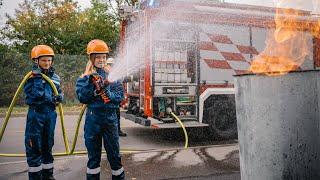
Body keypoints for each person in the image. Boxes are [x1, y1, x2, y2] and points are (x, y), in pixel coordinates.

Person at [76, 39, 125, 180]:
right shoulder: (84, 78)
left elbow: (120, 95)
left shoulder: (112, 76)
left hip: (110, 119)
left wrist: (109, 94)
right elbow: (82, 97)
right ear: (91, 58)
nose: (101, 60)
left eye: (104, 57)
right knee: (93, 158)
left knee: (115, 156)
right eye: (98, 57)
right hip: (93, 119)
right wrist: (92, 86)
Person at [24, 45, 63, 180]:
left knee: (48, 145)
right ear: (36, 61)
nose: (47, 63)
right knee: (34, 146)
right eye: (44, 60)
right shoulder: (30, 77)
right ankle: (35, 177)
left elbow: (58, 92)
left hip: (50, 114)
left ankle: (48, 175)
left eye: (49, 60)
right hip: (36, 114)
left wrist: (59, 98)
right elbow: (35, 96)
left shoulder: (56, 77)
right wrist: (37, 79)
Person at [106, 57, 127, 137]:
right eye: (110, 64)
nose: (111, 66)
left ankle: (117, 130)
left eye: (112, 65)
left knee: (117, 116)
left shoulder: (116, 74)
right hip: (110, 100)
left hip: (115, 101)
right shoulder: (106, 74)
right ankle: (112, 132)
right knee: (110, 117)